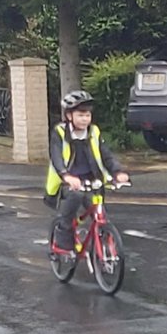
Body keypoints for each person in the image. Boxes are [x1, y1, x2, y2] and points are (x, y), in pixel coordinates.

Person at [45, 89, 130, 254]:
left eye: (87, 115)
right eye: (80, 115)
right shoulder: (60, 132)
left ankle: (102, 246)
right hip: (67, 181)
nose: (85, 119)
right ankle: (63, 235)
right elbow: (56, 157)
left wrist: (117, 172)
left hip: (91, 180)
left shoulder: (94, 132)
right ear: (69, 116)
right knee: (75, 197)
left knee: (100, 213)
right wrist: (66, 176)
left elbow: (106, 155)